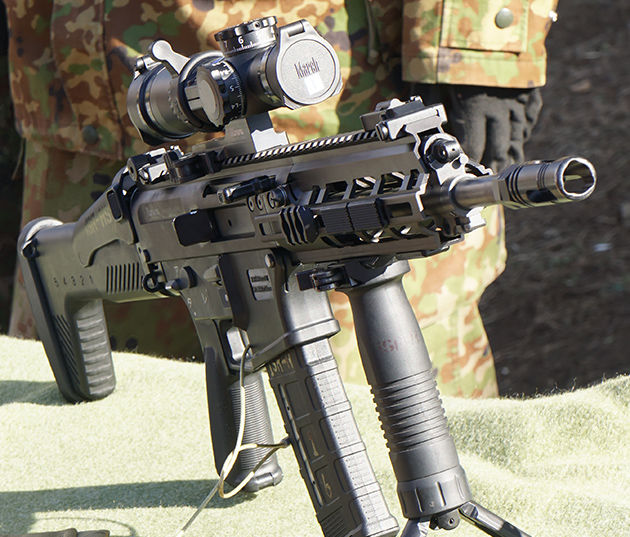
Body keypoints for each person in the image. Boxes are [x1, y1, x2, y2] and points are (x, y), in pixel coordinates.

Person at [3, 0, 559, 397]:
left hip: (327, 134)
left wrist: (481, 39)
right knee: (98, 433)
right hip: (76, 122)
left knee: (376, 414)